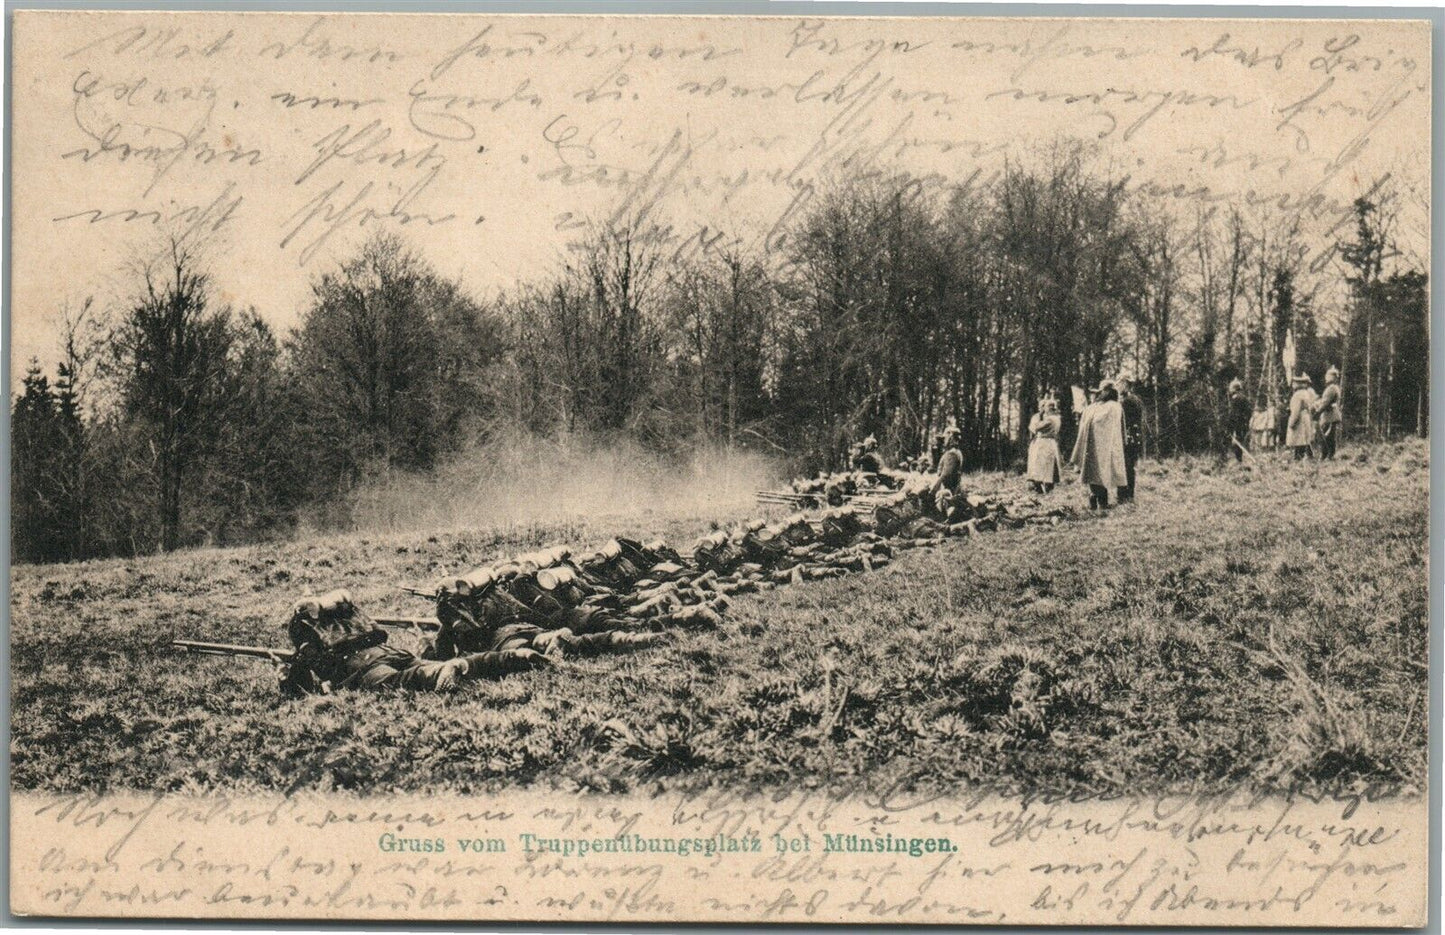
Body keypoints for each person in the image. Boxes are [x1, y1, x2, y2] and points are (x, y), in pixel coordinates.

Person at [279, 590, 547, 696]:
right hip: (391, 652)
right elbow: (380, 634)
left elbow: (321, 667)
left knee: (399, 681)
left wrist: (293, 675)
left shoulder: (305, 628)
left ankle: (441, 673)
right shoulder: (351, 615)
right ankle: (511, 658)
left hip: (365, 666)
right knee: (428, 665)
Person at [1070, 381, 1128, 510]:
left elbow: (1104, 422)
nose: (1098, 395)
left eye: (1101, 392)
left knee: (1101, 472)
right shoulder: (1093, 407)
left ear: (1108, 392)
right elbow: (1087, 422)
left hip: (1105, 444)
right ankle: (1094, 498)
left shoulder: (1113, 406)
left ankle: (1101, 501)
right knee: (1093, 472)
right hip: (1091, 444)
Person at [1026, 398, 1064, 493]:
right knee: (1047, 465)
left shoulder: (1050, 419)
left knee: (1043, 465)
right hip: (1050, 442)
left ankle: (1043, 486)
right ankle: (1043, 486)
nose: (1043, 409)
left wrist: (1038, 418)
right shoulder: (1056, 418)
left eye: (1045, 407)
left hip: (1045, 443)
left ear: (1049, 408)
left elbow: (1036, 427)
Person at [1116, 376, 1143, 501]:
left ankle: (1124, 495)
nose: (1117, 387)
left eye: (1119, 384)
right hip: (1134, 437)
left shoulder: (1126, 401)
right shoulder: (1135, 399)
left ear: (1125, 384)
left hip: (1127, 438)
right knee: (1130, 466)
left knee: (1124, 466)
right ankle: (1129, 495)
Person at [930, 424, 966, 519]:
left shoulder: (951, 454)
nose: (944, 441)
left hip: (947, 488)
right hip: (953, 487)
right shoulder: (956, 452)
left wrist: (933, 489)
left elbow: (946, 474)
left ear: (951, 438)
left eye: (945, 438)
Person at [1286, 372, 1317, 460]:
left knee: (1298, 440)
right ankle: (1304, 457)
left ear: (1298, 384)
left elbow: (1296, 411)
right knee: (1303, 439)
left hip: (1299, 419)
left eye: (1294, 383)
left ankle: (1298, 459)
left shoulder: (1297, 395)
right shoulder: (1306, 393)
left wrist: (1292, 422)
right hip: (1305, 417)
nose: (1293, 385)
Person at [1313, 366, 1342, 460]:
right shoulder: (1333, 388)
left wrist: (1317, 412)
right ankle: (1329, 455)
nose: (1326, 377)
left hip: (1330, 415)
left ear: (1332, 377)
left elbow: (1325, 402)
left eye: (1328, 375)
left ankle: (1327, 455)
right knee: (1329, 435)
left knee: (1327, 436)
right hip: (1330, 414)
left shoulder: (1331, 388)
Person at [1226, 378, 1252, 462]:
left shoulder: (1236, 398)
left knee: (1237, 442)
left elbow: (1233, 413)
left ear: (1234, 389)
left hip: (1238, 423)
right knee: (1240, 441)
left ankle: (1239, 460)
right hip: (1243, 423)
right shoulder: (1244, 397)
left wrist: (1230, 425)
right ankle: (1239, 460)